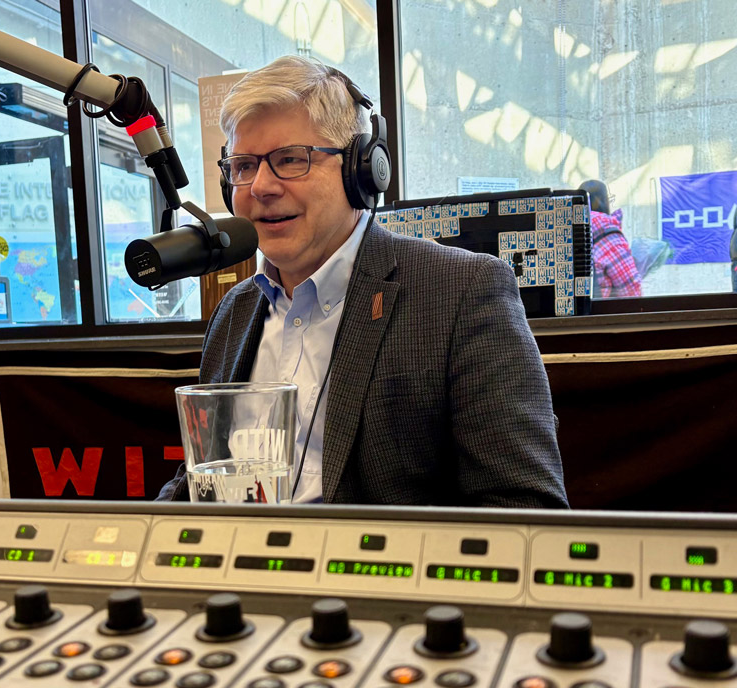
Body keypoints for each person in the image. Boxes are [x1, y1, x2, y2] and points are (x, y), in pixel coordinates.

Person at [157, 56, 567, 508]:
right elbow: (203, 478)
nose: (260, 187)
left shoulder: (462, 292)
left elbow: (525, 508)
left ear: (361, 170)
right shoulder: (235, 310)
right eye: (244, 166)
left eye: (290, 160)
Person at [579, 179, 642, 298]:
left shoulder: (565, 231)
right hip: (602, 313)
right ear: (601, 202)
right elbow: (630, 291)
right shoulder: (608, 235)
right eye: (609, 199)